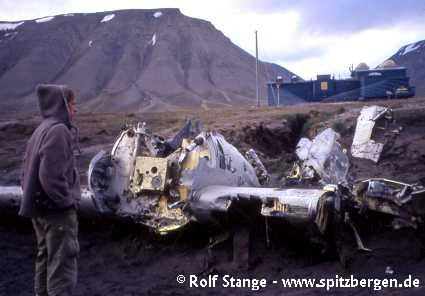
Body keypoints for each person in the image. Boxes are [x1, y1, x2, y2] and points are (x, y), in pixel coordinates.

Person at [20, 84, 81, 296]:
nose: (75, 110)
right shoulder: (58, 131)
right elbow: (50, 176)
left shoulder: (41, 129)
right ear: (62, 105)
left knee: (45, 258)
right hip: (56, 213)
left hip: (39, 210)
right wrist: (67, 202)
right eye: (72, 105)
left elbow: (26, 170)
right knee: (61, 265)